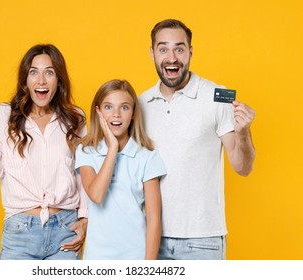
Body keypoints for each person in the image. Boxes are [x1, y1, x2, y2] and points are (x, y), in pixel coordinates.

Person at [139, 19, 256, 260]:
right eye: (163, 49)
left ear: (190, 52)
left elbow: (243, 168)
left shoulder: (217, 96)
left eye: (179, 49)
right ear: (152, 53)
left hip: (203, 240)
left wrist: (243, 132)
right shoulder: (141, 103)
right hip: (149, 236)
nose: (172, 58)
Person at [0, 44, 88, 260]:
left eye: (49, 72)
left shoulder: (75, 119)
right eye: (34, 72)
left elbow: (83, 173)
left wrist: (84, 219)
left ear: (59, 80)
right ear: (25, 79)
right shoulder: (5, 114)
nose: (41, 80)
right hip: (20, 233)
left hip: (65, 231)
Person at [75, 79, 166, 260]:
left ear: (133, 113)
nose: (116, 114)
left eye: (124, 107)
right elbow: (96, 195)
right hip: (97, 258)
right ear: (98, 112)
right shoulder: (86, 151)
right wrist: (112, 149)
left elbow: (154, 219)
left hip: (135, 256)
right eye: (108, 107)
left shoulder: (147, 156)